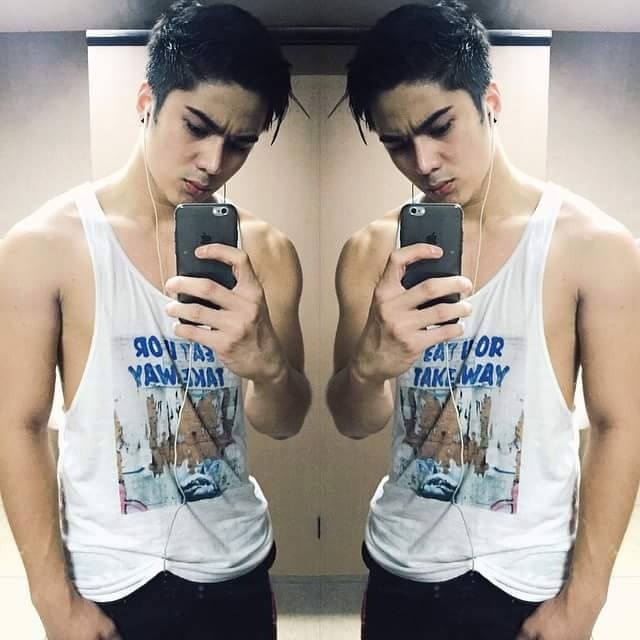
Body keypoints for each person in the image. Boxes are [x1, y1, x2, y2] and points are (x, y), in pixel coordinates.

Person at [326, 2, 640, 639]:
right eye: (397, 143)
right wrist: (370, 365)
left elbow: (620, 426)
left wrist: (583, 602)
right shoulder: (369, 251)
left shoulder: (594, 247)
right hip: (398, 566)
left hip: (524, 580)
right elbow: (353, 420)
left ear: (489, 101)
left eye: (441, 126)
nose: (424, 161)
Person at [0, 2, 311, 639]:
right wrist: (53, 601)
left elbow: (284, 420)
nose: (213, 161)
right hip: (112, 579)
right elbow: (18, 426)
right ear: (148, 100)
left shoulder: (269, 251)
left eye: (240, 143)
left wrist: (266, 365)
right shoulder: (43, 247)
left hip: (238, 566)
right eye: (196, 126)